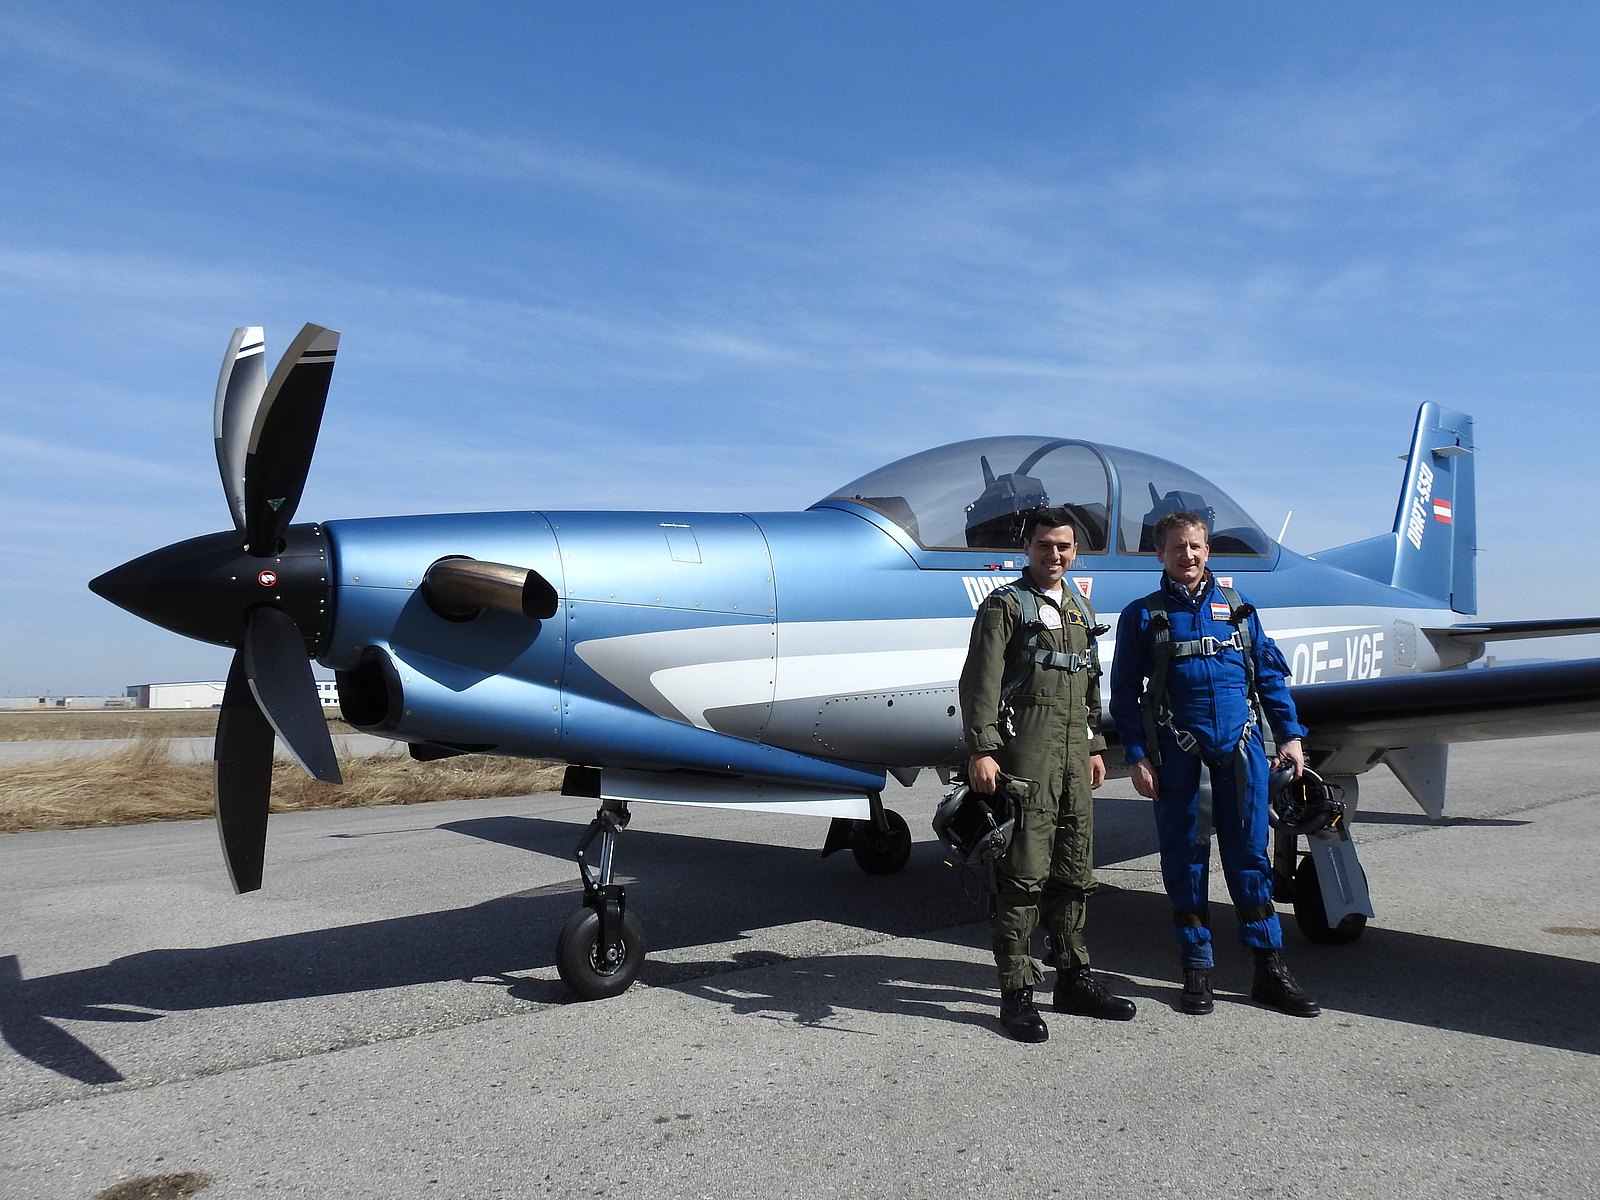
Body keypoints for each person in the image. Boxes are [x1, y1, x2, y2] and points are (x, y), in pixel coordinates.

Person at [1108, 511, 1320, 1017]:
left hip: (1242, 754)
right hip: (1179, 757)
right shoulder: (1143, 616)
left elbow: (1268, 677)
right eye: (1177, 547)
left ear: (1208, 551)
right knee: (1185, 862)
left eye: (1196, 546)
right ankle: (1197, 968)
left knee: (1250, 860)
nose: (1187, 555)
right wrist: (1136, 756)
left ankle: (1268, 968)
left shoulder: (1240, 609)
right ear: (1160, 554)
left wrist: (1290, 735)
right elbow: (1123, 695)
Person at [959, 506, 1137, 1042]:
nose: (1053, 555)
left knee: (1074, 868)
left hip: (1073, 757)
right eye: (1044, 545)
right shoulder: (1004, 606)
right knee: (1023, 874)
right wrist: (982, 750)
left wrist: (1095, 746)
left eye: (1063, 546)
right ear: (1027, 548)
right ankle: (1016, 994)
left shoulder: (1079, 608)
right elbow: (980, 683)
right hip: (1027, 755)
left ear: (1074, 551)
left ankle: (1074, 978)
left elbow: (1089, 684)